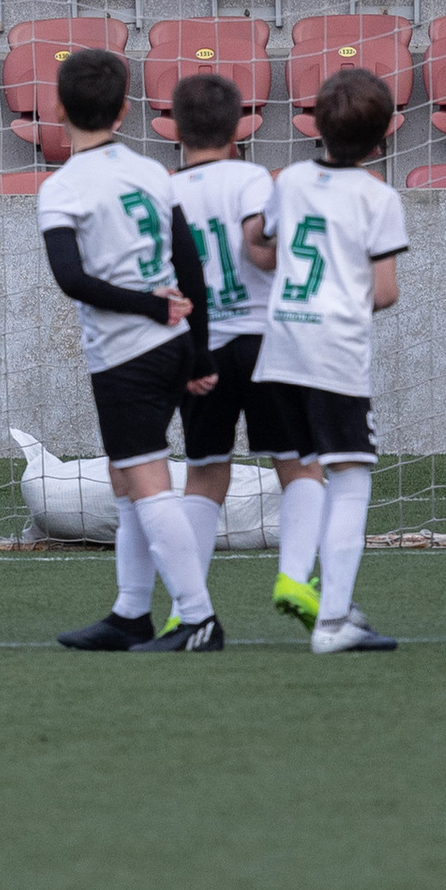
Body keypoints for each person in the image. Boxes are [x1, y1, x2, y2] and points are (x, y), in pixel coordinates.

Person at [39, 47, 220, 654]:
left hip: (126, 353)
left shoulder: (61, 187)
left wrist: (149, 307)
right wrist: (199, 350)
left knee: (145, 480)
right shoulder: (150, 170)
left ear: (58, 108)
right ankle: (130, 612)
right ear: (122, 109)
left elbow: (71, 280)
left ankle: (198, 618)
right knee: (125, 476)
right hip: (169, 345)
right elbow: (188, 263)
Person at [244, 66, 405, 659]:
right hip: (334, 353)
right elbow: (384, 291)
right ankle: (334, 618)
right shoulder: (378, 198)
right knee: (351, 477)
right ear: (382, 138)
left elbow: (259, 247)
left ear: (314, 124)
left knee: (302, 473)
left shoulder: (289, 180)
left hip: (280, 347)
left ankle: (300, 579)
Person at [162, 68, 296, 610]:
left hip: (200, 346)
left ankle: (187, 606)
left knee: (205, 474)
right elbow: (260, 247)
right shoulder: (251, 179)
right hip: (263, 338)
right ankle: (306, 583)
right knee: (298, 465)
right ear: (240, 126)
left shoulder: (164, 192)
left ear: (174, 129)